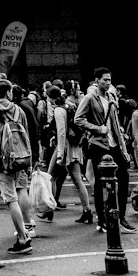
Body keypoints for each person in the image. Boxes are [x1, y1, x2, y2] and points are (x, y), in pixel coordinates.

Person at [74, 68, 135, 234]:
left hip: (113, 144)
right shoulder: (89, 98)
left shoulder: (111, 97)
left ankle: (120, 217)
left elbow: (115, 124)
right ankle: (102, 220)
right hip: (98, 145)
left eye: (109, 80)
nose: (108, 83)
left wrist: (123, 147)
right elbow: (78, 119)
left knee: (123, 178)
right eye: (104, 80)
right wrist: (97, 129)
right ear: (97, 80)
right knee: (101, 184)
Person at [0, 77, 35, 254]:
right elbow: (26, 134)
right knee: (22, 189)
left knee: (10, 199)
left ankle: (22, 239)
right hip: (21, 157)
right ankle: (28, 227)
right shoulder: (18, 110)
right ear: (9, 92)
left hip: (3, 161)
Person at [46, 84, 91, 222]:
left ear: (51, 98)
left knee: (51, 177)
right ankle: (86, 210)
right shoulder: (68, 106)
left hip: (65, 148)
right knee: (76, 179)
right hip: (73, 146)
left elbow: (61, 132)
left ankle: (50, 209)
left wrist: (60, 153)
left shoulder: (58, 110)